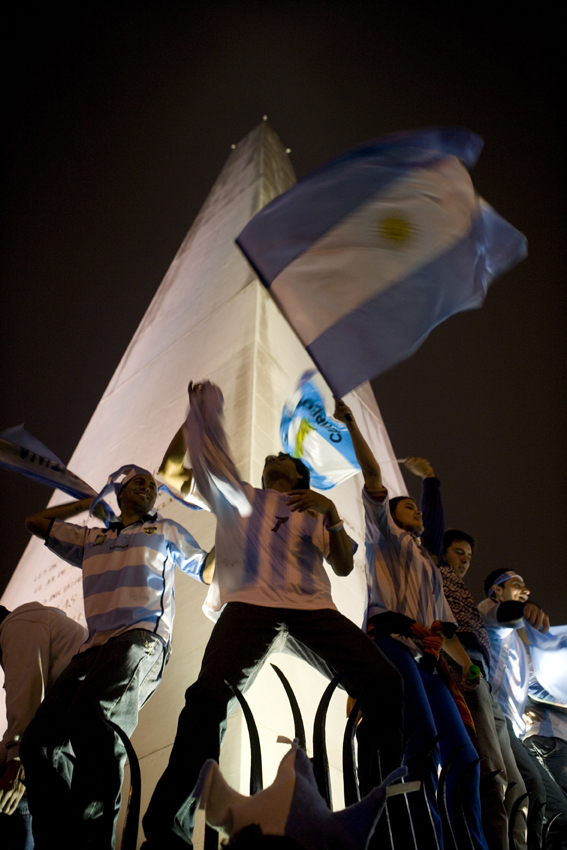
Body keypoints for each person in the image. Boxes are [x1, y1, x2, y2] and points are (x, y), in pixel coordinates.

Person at [142, 381, 404, 850]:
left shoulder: (314, 510)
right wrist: (194, 421)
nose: (268, 460)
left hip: (314, 612)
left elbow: (344, 564)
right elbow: (171, 471)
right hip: (249, 609)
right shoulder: (238, 496)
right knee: (205, 700)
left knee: (385, 686)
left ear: (300, 475)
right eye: (266, 461)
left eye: (278, 459)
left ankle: (381, 824)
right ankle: (167, 828)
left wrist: (332, 513)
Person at [20, 466, 210, 850]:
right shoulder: (93, 539)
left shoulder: (165, 530)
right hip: (93, 648)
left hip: (142, 638)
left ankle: (94, 834)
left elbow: (207, 569)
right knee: (39, 741)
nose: (149, 487)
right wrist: (89, 502)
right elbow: (36, 522)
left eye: (153, 486)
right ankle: (57, 839)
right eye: (138, 481)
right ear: (120, 492)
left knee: (94, 711)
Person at [334, 399, 488, 850]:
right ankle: (421, 837)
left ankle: (470, 843)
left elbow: (443, 626)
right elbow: (374, 478)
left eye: (416, 510)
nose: (416, 513)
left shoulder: (427, 562)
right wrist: (352, 425)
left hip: (428, 655)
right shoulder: (383, 536)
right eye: (409, 508)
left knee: (464, 755)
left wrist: (467, 668)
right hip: (392, 641)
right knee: (419, 737)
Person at [405, 453, 528, 850]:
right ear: (444, 552)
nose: (464, 561)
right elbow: (434, 523)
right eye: (459, 553)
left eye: (470, 557)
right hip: (460, 662)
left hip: (482, 679)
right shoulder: (435, 569)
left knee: (515, 784)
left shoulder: (463, 592)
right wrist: (431, 481)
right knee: (488, 767)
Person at [480, 570, 567, 850]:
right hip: (495, 719)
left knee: (530, 796)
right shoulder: (489, 612)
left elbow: (537, 686)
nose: (526, 590)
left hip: (513, 733)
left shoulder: (518, 644)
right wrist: (525, 610)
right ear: (496, 590)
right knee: (532, 792)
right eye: (517, 585)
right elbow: (506, 615)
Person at [0, 602, 87, 850]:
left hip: (64, 739)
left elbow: (24, 711)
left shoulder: (16, 626)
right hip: (69, 735)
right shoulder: (22, 625)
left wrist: (14, 763)